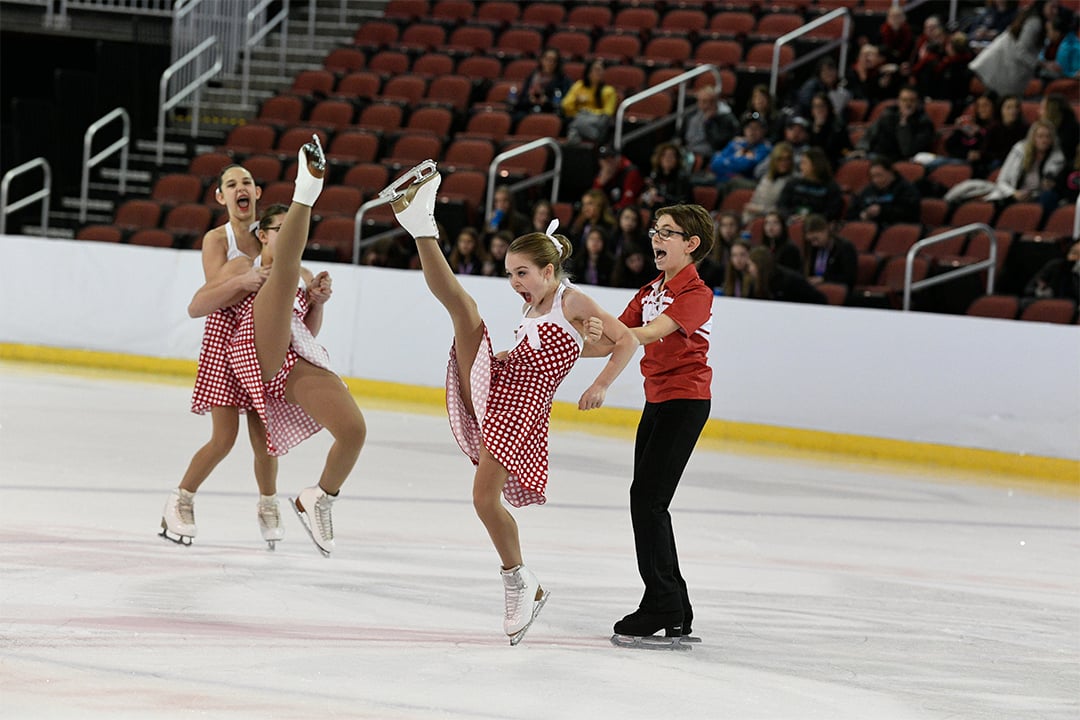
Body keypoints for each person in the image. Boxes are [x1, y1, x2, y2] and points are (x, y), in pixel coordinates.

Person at [383, 158, 639, 645]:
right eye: (510, 273)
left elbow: (624, 341)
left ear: (549, 270)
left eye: (522, 273)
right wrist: (512, 352)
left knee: (483, 498)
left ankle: (521, 583)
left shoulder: (572, 301)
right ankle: (420, 223)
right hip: (502, 383)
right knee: (463, 312)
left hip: (522, 408)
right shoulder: (534, 306)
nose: (516, 282)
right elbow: (557, 347)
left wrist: (601, 384)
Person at [218, 139, 366, 557]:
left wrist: (316, 300)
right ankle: (307, 187)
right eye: (277, 230)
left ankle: (319, 497)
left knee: (354, 431)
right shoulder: (243, 264)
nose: (283, 236)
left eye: (289, 228)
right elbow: (201, 303)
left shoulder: (299, 273)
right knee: (282, 269)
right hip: (257, 344)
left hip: (296, 350)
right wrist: (237, 284)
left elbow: (308, 329)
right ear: (262, 233)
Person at [584, 204, 715, 645]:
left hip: (686, 402)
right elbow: (608, 344)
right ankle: (675, 606)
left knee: (648, 500)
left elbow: (645, 333)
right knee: (647, 500)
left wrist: (608, 329)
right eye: (655, 230)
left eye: (668, 233)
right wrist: (565, 339)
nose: (656, 239)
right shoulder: (649, 290)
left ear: (691, 244)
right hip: (657, 403)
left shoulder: (696, 294)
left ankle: (663, 603)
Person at [161, 163, 279, 548]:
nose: (240, 188)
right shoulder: (217, 240)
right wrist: (245, 280)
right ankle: (180, 500)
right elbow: (206, 299)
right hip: (225, 343)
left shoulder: (272, 236)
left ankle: (268, 503)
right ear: (221, 196)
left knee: (264, 440)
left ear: (257, 193)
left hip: (260, 343)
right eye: (231, 184)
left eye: (246, 182)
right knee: (224, 439)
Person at [970, 1, 1048, 98]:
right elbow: (1021, 51)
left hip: (1005, 65)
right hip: (1001, 66)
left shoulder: (1025, 16)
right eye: (1052, 7)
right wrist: (1042, 65)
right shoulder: (1034, 22)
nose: (1055, 11)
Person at [854, 86, 936, 162]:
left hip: (900, 159)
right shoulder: (889, 114)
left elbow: (907, 151)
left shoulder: (924, 123)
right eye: (904, 100)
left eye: (911, 100)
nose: (907, 104)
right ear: (898, 101)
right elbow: (870, 134)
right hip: (878, 154)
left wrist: (904, 125)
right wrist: (861, 149)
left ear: (918, 102)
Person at [848, 156, 921, 227]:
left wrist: (882, 211)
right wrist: (862, 215)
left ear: (891, 172)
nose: (876, 180)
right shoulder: (868, 190)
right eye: (873, 176)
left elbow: (909, 213)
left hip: (895, 227)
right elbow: (853, 211)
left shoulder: (906, 189)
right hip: (871, 228)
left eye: (879, 175)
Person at [710, 111, 773, 192]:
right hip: (724, 179)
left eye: (756, 128)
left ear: (764, 130)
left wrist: (727, 161)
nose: (752, 131)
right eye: (749, 127)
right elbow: (715, 164)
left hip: (749, 184)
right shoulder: (736, 143)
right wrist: (737, 159)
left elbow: (745, 166)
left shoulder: (765, 148)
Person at [681, 83, 740, 169]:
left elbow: (717, 143)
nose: (700, 104)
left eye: (704, 101)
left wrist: (708, 123)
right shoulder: (692, 115)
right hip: (688, 150)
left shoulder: (726, 119)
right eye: (699, 100)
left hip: (709, 155)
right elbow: (680, 134)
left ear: (714, 102)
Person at [777, 147, 844, 221]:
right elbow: (781, 205)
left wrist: (811, 219)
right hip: (792, 221)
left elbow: (832, 212)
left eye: (804, 163)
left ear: (815, 165)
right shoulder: (793, 183)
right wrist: (790, 216)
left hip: (817, 226)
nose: (801, 166)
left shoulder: (831, 187)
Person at [562, 58, 618, 143]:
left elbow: (608, 113)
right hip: (579, 116)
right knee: (576, 123)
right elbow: (565, 105)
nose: (599, 72)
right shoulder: (579, 85)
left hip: (596, 121)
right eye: (596, 70)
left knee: (574, 126)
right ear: (588, 72)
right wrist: (576, 100)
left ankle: (575, 130)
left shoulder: (609, 90)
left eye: (601, 70)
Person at [747, 246, 827, 304]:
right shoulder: (756, 281)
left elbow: (819, 299)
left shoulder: (789, 280)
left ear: (760, 265)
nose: (749, 269)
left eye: (751, 265)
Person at [743, 142, 796, 225]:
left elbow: (784, 209)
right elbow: (755, 199)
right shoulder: (766, 178)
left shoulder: (793, 181)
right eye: (780, 159)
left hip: (776, 221)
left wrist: (760, 209)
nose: (784, 163)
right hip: (754, 218)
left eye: (787, 159)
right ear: (774, 160)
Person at [801, 213, 858, 289]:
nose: (814, 244)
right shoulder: (813, 248)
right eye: (810, 241)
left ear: (826, 230)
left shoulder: (845, 248)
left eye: (815, 239)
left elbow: (849, 278)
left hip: (837, 289)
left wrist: (824, 279)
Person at [512, 47, 570, 121]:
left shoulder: (563, 80)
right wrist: (529, 100)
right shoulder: (533, 76)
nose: (550, 63)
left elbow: (564, 103)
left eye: (553, 60)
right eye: (547, 59)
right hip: (529, 109)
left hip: (550, 112)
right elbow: (522, 98)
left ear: (557, 63)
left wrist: (547, 102)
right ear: (541, 60)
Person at [641, 142, 692, 211]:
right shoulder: (655, 176)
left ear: (677, 159)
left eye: (671, 156)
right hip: (657, 213)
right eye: (664, 155)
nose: (668, 159)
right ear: (659, 158)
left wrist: (661, 197)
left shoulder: (682, 178)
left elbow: (683, 202)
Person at [593, 145, 645, 211]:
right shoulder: (602, 173)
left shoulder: (630, 172)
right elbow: (593, 198)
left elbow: (627, 202)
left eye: (611, 158)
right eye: (604, 159)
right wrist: (600, 183)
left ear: (618, 158)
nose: (608, 163)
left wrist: (609, 211)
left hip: (630, 212)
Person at [807, 92, 853, 166]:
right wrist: (816, 130)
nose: (819, 110)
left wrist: (819, 131)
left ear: (828, 107)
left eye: (822, 106)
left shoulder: (837, 126)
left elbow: (830, 151)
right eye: (815, 106)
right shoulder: (809, 127)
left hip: (834, 162)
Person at [569, 188, 616, 252]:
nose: (585, 208)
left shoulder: (609, 227)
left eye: (590, 204)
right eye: (584, 204)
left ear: (600, 205)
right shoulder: (580, 225)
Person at [1038, 15, 1080, 80]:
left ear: (1057, 33)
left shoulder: (1072, 46)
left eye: (1048, 31)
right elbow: (1040, 57)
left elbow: (1074, 72)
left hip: (1065, 78)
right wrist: (1046, 64)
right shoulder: (1049, 41)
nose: (1047, 34)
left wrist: (1060, 70)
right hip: (1049, 73)